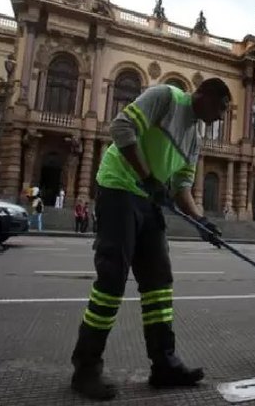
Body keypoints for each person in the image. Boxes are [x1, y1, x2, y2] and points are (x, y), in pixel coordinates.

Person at [69, 79, 231, 400]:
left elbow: (182, 187)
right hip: (118, 188)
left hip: (148, 199)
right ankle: (85, 369)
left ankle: (164, 364)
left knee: (159, 283)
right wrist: (148, 178)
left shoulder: (194, 139)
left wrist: (201, 221)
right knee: (112, 280)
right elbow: (121, 127)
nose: (221, 116)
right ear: (203, 95)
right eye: (221, 108)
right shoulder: (166, 98)